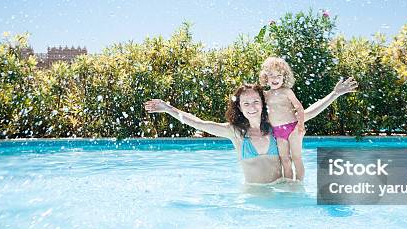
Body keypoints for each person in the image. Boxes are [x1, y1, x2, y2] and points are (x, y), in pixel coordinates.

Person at [143, 77, 358, 185]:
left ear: (263, 104)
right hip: (252, 199)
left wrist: (335, 94)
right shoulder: (235, 134)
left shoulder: (276, 128)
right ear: (239, 107)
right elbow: (198, 123)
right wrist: (168, 109)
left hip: (282, 192)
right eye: (246, 103)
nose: (252, 106)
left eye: (256, 101)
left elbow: (309, 112)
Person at [259, 57, 305, 181]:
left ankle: (299, 183)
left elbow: (299, 108)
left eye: (278, 75)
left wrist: (301, 124)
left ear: (284, 77)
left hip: (293, 128)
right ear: (265, 78)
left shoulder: (287, 92)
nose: (275, 79)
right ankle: (289, 183)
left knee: (296, 157)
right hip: (278, 131)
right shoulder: (265, 95)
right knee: (285, 159)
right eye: (271, 75)